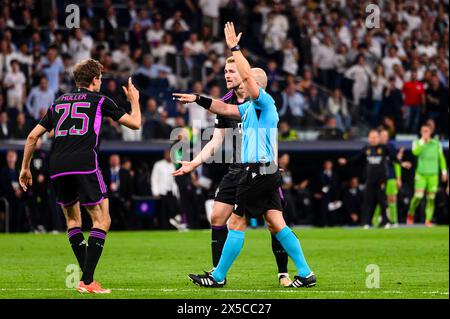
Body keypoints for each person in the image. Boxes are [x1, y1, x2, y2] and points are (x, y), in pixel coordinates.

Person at [174, 22, 315, 288]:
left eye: (240, 73)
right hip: (267, 171)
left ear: (256, 84)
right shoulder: (249, 109)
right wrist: (198, 98)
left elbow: (249, 79)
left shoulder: (263, 102)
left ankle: (217, 277)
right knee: (276, 222)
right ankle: (306, 273)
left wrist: (234, 48)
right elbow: (224, 109)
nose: (236, 76)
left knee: (237, 222)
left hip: (256, 171)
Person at [19, 59, 142, 294]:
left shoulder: (58, 102)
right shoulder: (99, 100)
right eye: (101, 79)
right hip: (84, 163)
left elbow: (32, 138)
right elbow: (135, 124)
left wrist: (25, 169)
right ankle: (87, 281)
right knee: (102, 220)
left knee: (73, 221)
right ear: (95, 80)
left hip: (57, 166)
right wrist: (134, 101)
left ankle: (86, 279)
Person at [338, 129, 409, 228]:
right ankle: (365, 223)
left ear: (378, 138)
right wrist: (346, 161)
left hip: (381, 180)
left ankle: (386, 222)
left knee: (383, 201)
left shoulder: (384, 148)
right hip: (370, 180)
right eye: (371, 137)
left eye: (375, 137)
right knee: (367, 202)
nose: (373, 139)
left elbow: (393, 158)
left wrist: (402, 163)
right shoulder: (366, 149)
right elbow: (358, 158)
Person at [407, 124, 447, 227]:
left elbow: (441, 158)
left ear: (431, 132)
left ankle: (428, 220)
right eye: (423, 131)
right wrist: (422, 142)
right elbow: (415, 152)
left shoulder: (436, 144)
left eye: (427, 131)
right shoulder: (417, 143)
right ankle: (411, 213)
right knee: (418, 197)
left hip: (433, 175)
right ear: (421, 132)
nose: (425, 133)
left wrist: (444, 172)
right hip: (421, 174)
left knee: (431, 198)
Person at [371, 129, 410, 227]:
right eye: (382, 135)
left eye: (386, 136)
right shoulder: (375, 148)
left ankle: (393, 220)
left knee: (392, 199)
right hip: (379, 178)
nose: (384, 137)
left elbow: (396, 163)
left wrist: (398, 178)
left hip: (391, 177)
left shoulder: (391, 147)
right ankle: (375, 220)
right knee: (379, 199)